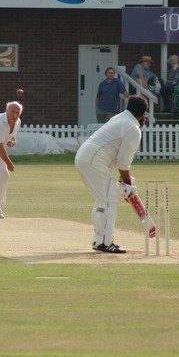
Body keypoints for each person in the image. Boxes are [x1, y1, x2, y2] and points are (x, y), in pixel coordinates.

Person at [75, 95, 148, 254]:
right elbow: (123, 162)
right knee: (107, 201)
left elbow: (119, 160)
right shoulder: (132, 128)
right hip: (94, 160)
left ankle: (100, 240)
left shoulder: (120, 118)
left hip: (86, 156)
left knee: (105, 199)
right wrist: (128, 184)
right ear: (143, 114)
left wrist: (126, 181)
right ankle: (104, 242)